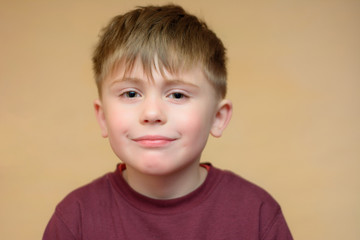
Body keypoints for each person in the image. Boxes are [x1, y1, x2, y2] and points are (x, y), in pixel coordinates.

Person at [43, 4, 293, 240]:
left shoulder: (258, 213)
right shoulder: (74, 219)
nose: (152, 113)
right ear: (103, 118)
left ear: (218, 118)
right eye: (131, 94)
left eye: (177, 95)